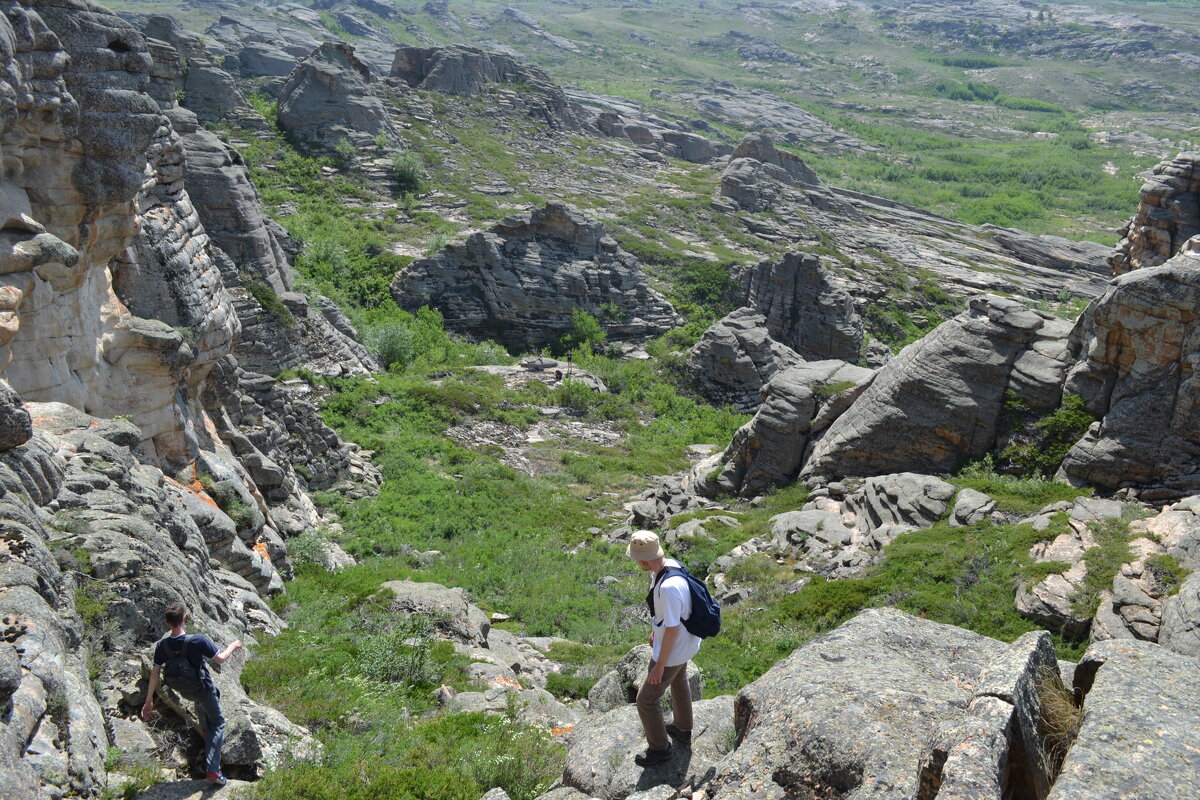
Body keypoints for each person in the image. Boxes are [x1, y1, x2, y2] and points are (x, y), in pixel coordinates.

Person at [141, 602, 242, 786]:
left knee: (206, 702)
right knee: (219, 723)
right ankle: (214, 770)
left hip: (185, 691)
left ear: (166, 623)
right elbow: (220, 659)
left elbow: (155, 672)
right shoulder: (198, 640)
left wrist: (149, 701)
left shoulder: (162, 645)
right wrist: (233, 646)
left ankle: (205, 731)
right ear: (185, 619)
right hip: (202, 689)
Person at [628, 530, 700, 767]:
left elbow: (671, 629)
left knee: (646, 700)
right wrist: (654, 631)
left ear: (643, 559)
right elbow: (671, 616)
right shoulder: (671, 566)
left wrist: (659, 666)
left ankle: (659, 749)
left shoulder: (667, 587)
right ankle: (683, 728)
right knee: (679, 682)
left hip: (673, 650)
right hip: (687, 643)